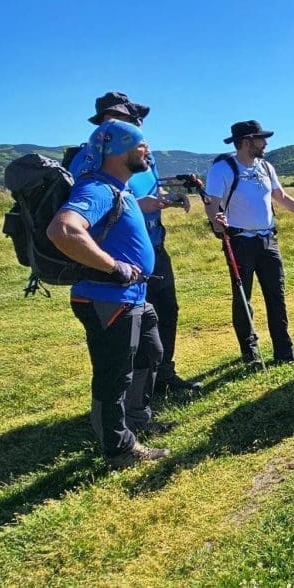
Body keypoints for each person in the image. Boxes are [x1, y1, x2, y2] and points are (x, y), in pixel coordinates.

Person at [47, 119, 171, 468]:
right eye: (141, 145)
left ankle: (136, 421)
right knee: (114, 375)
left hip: (133, 296)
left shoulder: (120, 189)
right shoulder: (97, 189)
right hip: (107, 297)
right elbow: (63, 229)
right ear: (118, 150)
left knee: (150, 353)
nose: (147, 151)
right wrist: (114, 267)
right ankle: (119, 449)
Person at [74, 91, 202, 393]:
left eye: (135, 121)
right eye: (129, 119)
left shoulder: (144, 157)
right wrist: (136, 205)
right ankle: (130, 394)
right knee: (127, 328)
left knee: (165, 312)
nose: (137, 125)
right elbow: (91, 202)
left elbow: (150, 193)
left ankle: (162, 376)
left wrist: (168, 199)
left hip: (153, 246)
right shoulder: (90, 158)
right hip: (117, 255)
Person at [204, 120, 294, 366]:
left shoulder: (266, 167)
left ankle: (284, 351)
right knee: (243, 297)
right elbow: (211, 203)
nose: (266, 143)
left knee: (277, 295)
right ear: (246, 142)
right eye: (261, 139)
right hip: (239, 241)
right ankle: (250, 353)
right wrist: (215, 221)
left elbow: (281, 197)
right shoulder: (222, 169)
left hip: (268, 239)